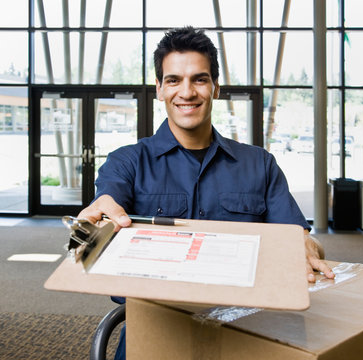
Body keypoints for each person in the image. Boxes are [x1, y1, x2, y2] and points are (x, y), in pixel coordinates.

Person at [78, 26, 334, 360]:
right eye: (173, 80)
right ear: (159, 89)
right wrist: (100, 212)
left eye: (199, 79)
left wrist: (305, 246)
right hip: (154, 331)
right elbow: (107, 201)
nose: (187, 92)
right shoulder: (127, 162)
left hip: (248, 331)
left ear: (215, 87)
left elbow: (297, 236)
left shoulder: (260, 164)